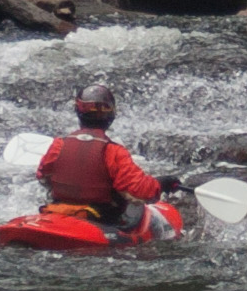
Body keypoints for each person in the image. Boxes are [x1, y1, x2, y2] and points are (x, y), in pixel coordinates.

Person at [24, 82, 179, 238]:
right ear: (110, 116)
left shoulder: (59, 144)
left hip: (57, 211)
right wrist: (161, 184)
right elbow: (139, 191)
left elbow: (42, 176)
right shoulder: (113, 151)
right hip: (99, 220)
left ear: (78, 112)